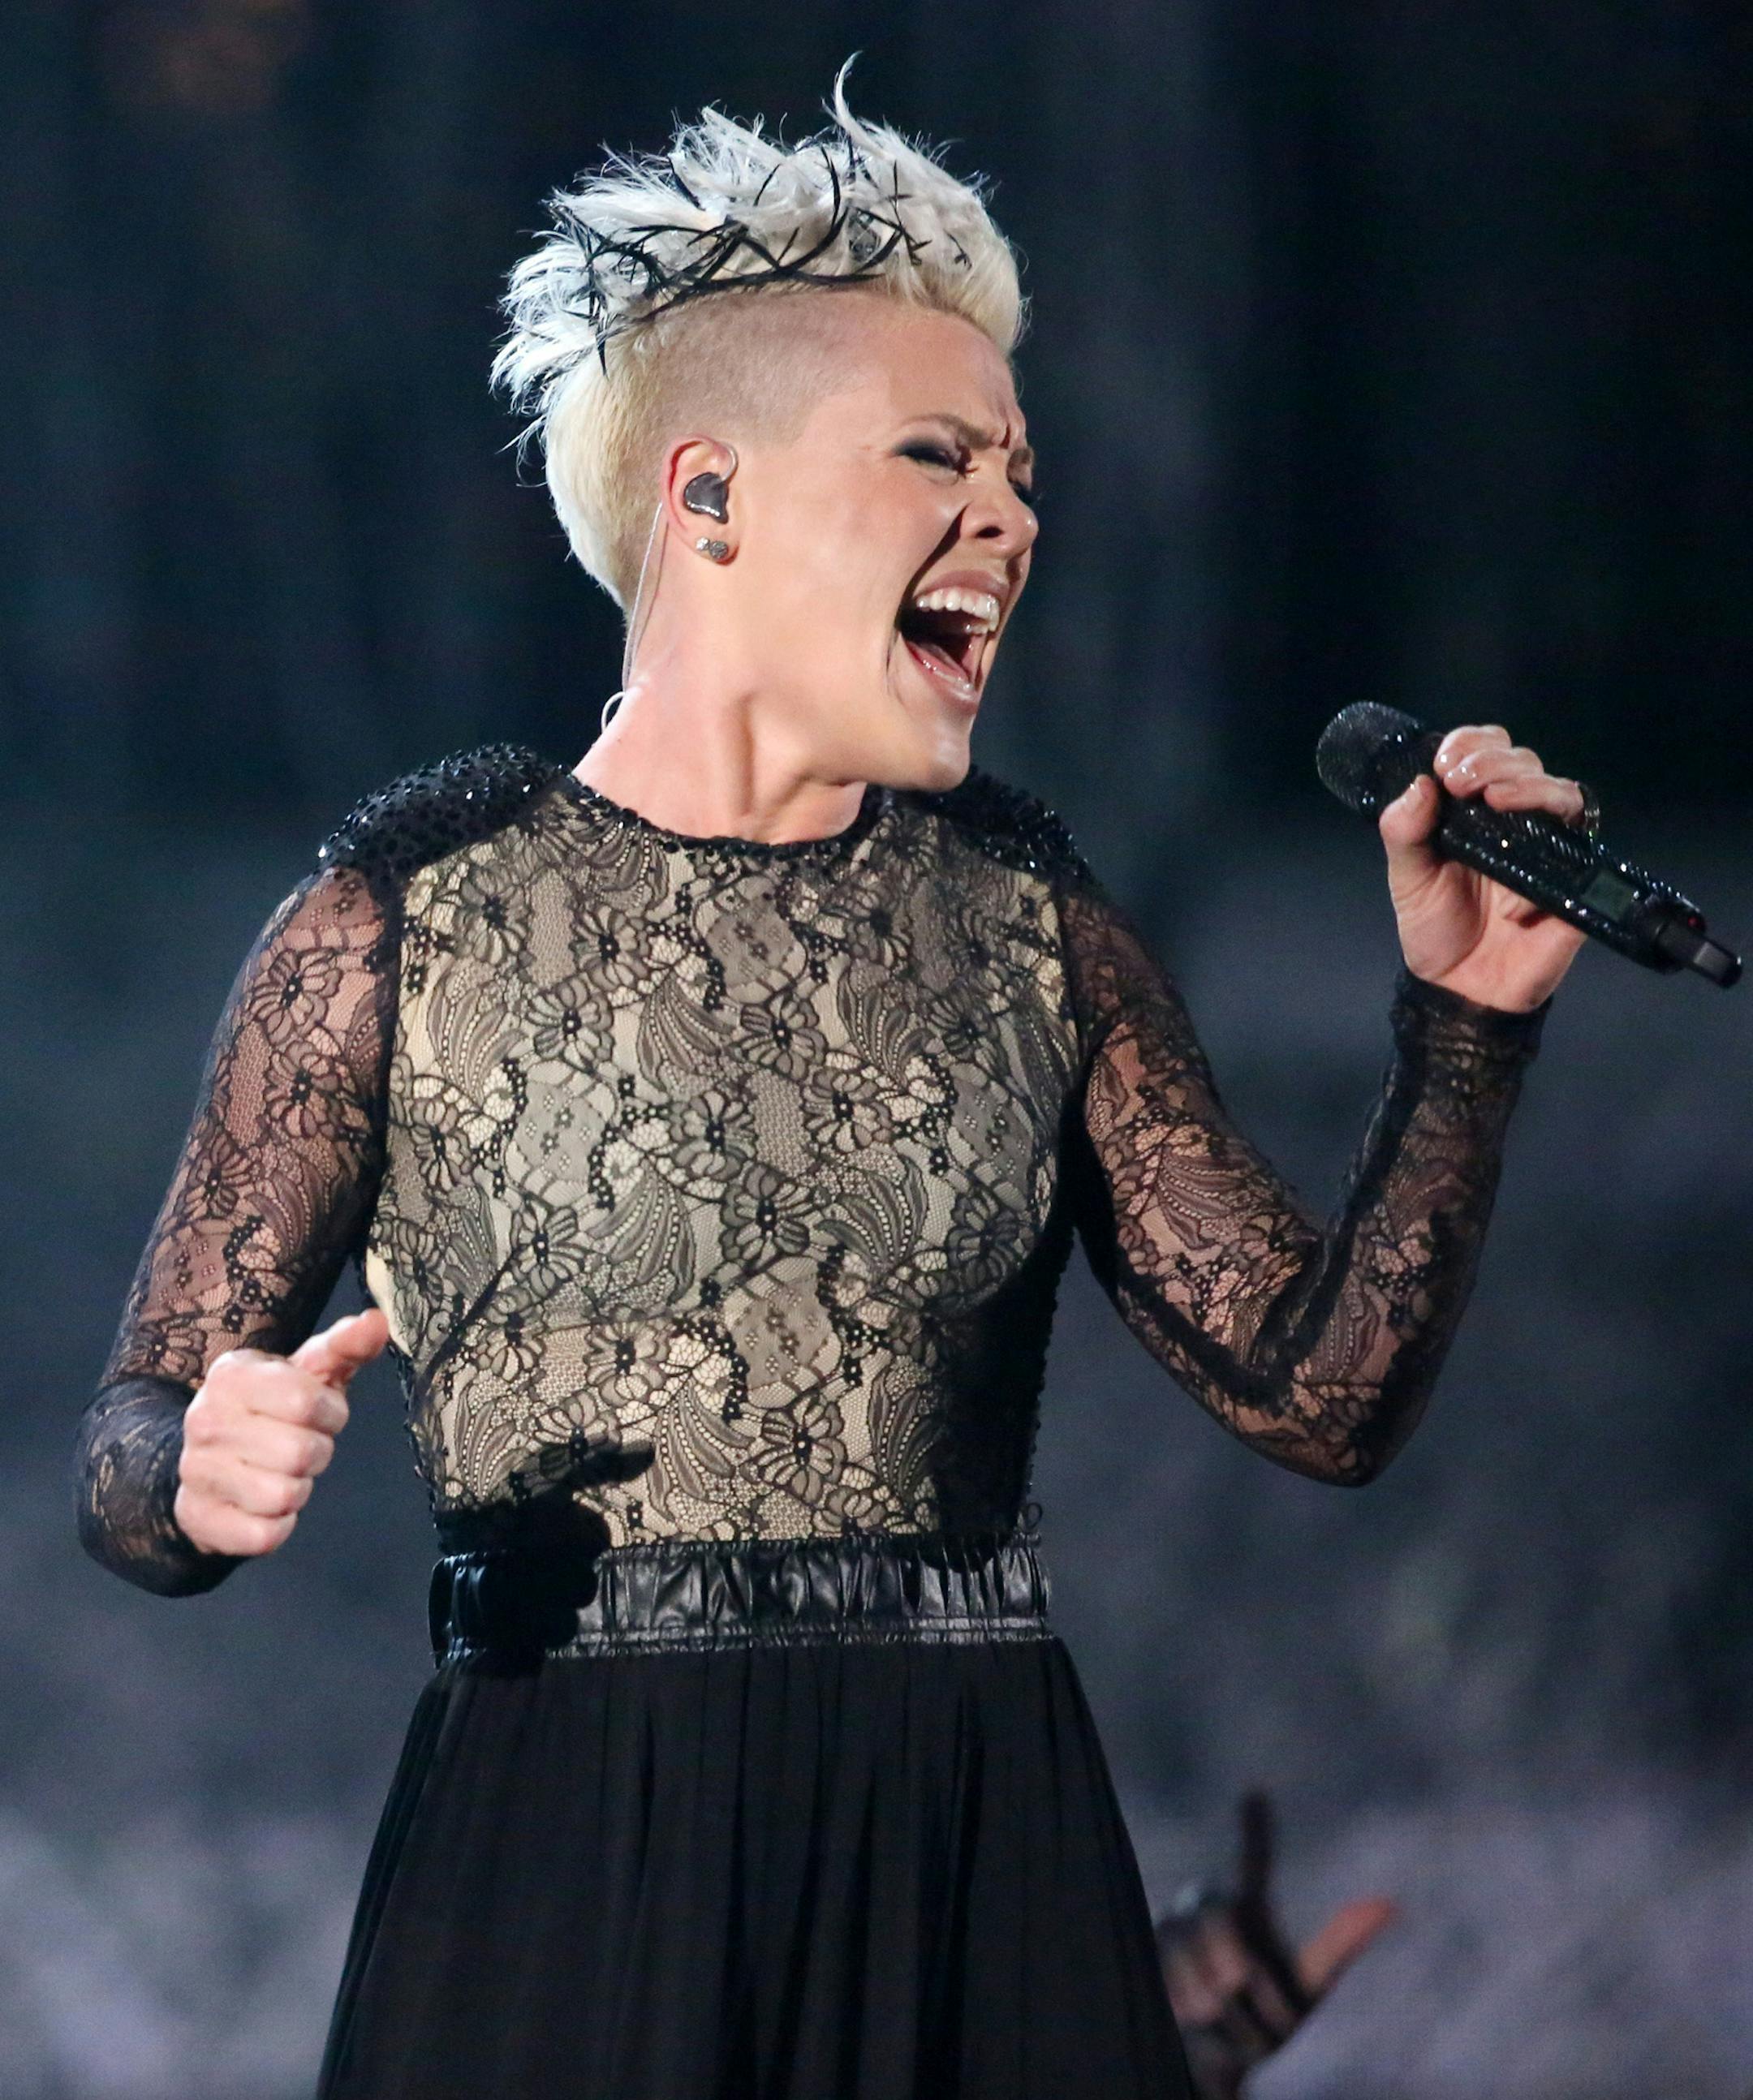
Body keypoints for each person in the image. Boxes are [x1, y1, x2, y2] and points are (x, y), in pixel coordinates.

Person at [73, 70, 1592, 2100]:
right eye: (940, 455)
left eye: (1029, 473)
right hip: (564, 1878)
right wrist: (185, 1469)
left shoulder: (1028, 922)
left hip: (976, 1845)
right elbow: (137, 1430)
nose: (1018, 517)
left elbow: (1319, 1392)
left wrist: (1465, 1035)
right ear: (709, 497)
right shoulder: (406, 917)